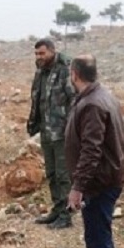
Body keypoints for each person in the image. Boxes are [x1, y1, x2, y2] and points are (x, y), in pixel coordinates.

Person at [63, 55, 124, 248]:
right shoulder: (100, 96)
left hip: (99, 183)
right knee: (102, 236)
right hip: (106, 178)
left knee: (97, 239)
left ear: (75, 74)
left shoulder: (92, 104)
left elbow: (91, 150)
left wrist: (78, 187)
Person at [27, 38, 76, 230]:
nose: (39, 57)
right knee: (52, 173)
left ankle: (66, 215)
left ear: (52, 51)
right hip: (46, 131)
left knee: (64, 175)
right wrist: (33, 125)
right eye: (37, 54)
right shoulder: (41, 72)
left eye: (42, 53)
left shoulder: (65, 70)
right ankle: (57, 210)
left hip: (63, 132)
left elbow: (74, 100)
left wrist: (72, 128)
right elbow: (37, 100)